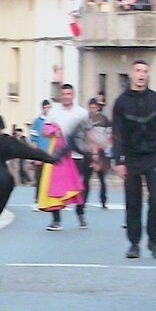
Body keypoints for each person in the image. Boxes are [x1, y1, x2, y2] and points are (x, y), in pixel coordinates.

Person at [112, 60, 156, 259]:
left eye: (145, 71)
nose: (141, 75)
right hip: (131, 157)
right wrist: (119, 160)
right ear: (131, 74)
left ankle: (153, 240)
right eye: (138, 71)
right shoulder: (121, 102)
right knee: (133, 202)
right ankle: (134, 243)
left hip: (152, 156)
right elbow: (117, 133)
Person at [44, 84, 92, 230]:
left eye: (68, 94)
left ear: (73, 95)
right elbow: (45, 129)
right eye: (64, 94)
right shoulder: (54, 111)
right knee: (56, 185)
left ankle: (80, 213)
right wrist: (53, 132)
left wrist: (92, 152)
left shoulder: (82, 113)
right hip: (60, 155)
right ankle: (56, 220)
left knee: (80, 186)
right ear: (60, 95)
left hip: (78, 154)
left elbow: (88, 132)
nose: (66, 96)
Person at [85, 97, 112, 209]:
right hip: (89, 151)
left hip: (102, 151)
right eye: (91, 107)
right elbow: (86, 134)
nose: (93, 109)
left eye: (95, 107)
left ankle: (103, 201)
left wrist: (105, 144)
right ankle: (83, 201)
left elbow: (110, 133)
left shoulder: (104, 119)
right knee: (86, 178)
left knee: (102, 178)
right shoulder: (86, 118)